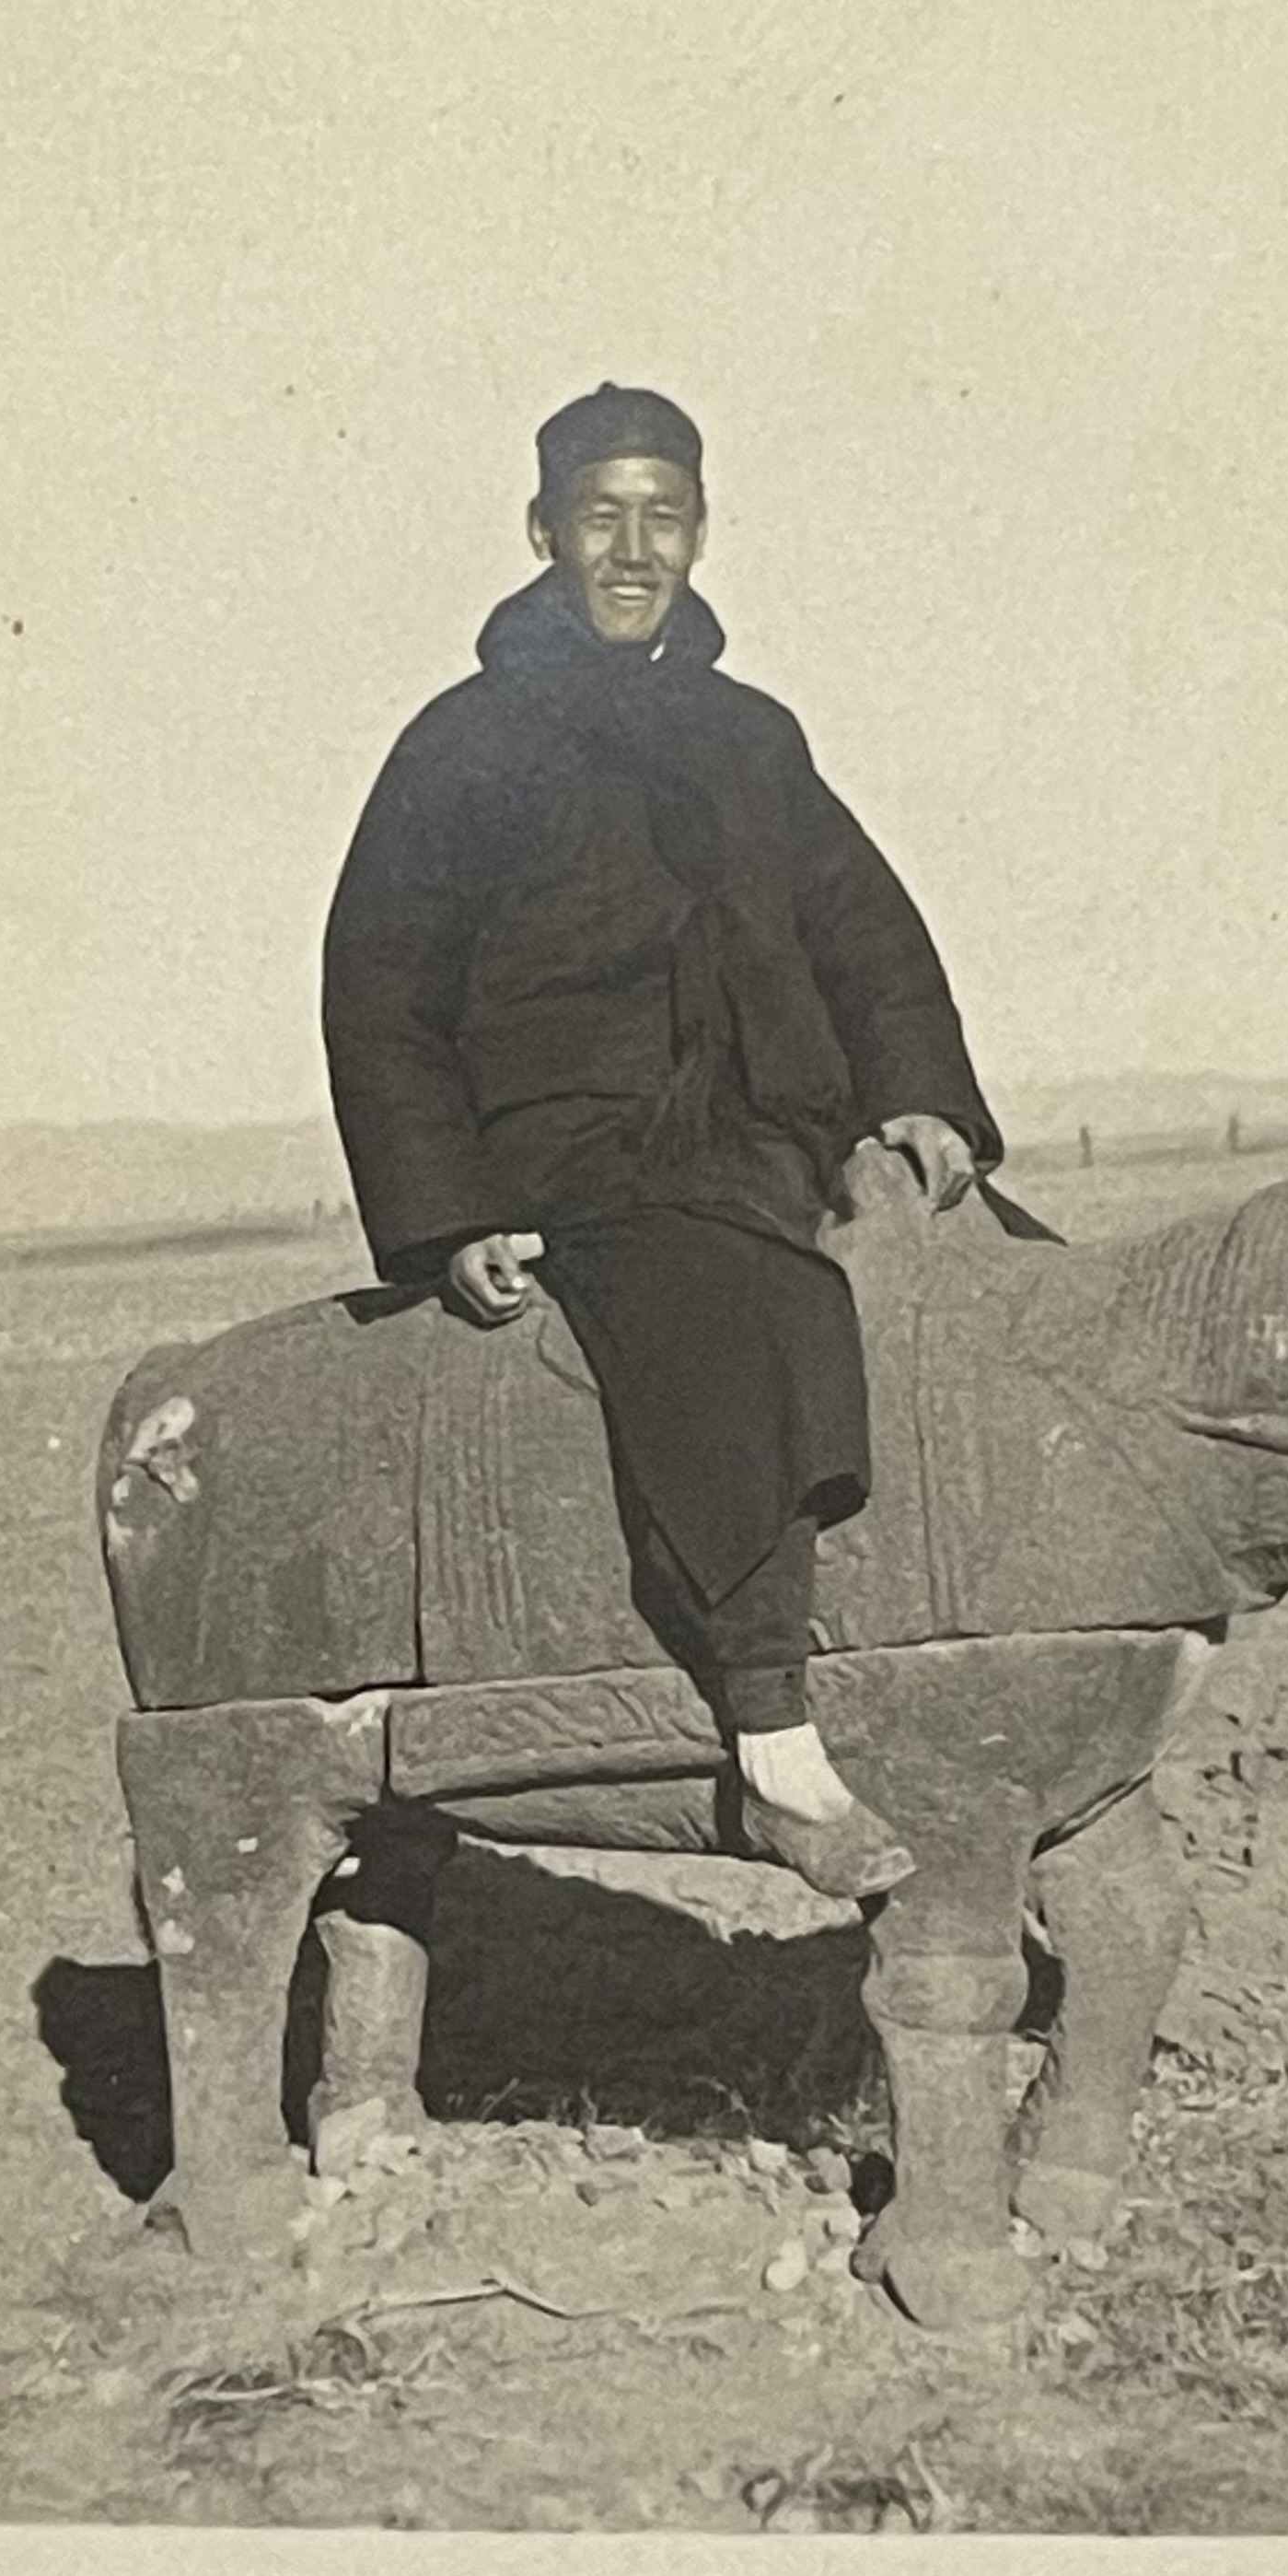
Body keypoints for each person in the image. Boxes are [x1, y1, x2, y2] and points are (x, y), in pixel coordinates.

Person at [320, 382, 1003, 1899]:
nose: (634, 548)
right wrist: (451, 1215)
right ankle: (773, 1735)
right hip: (580, 1153)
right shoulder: (467, 742)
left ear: (699, 532)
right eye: (601, 516)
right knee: (735, 1299)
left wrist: (922, 1093)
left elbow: (859, 922)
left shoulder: (751, 735)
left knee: (972, 1293)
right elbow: (381, 982)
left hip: (766, 1132)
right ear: (544, 533)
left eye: (664, 515)